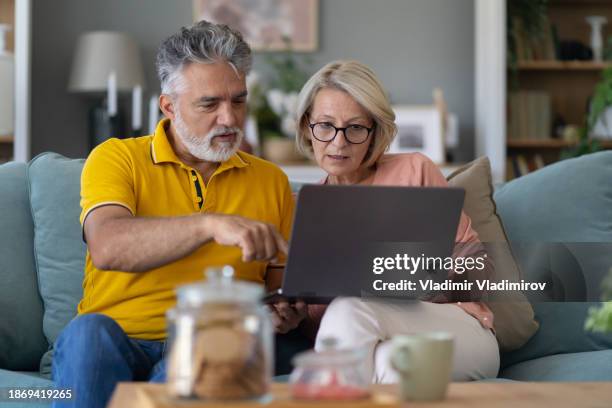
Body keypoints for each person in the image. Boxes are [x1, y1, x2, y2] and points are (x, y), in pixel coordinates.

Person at [52, 21, 308, 408]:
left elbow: (279, 287)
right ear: (169, 107)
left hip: (211, 339)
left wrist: (285, 315)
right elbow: (107, 246)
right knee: (87, 334)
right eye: (210, 104)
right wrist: (209, 224)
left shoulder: (270, 180)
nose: (229, 118)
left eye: (238, 101)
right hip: (116, 339)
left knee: (209, 347)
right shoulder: (117, 158)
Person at [294, 60, 500, 383]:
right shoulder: (304, 212)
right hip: (377, 346)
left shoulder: (415, 170)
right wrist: (295, 316)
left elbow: (478, 266)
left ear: (375, 131)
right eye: (325, 125)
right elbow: (319, 330)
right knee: (392, 364)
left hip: (455, 330)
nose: (338, 142)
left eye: (355, 128)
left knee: (350, 308)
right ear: (307, 126)